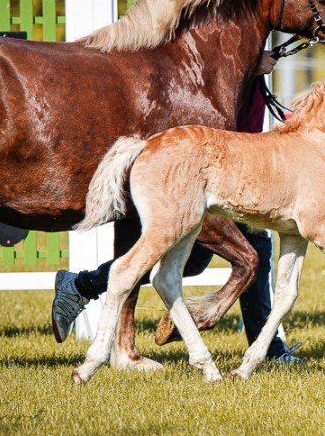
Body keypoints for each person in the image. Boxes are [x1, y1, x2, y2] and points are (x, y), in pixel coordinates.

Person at [52, 51, 303, 363]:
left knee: (206, 260)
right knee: (250, 254)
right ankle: (258, 343)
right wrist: (251, 62)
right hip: (219, 166)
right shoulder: (237, 50)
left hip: (246, 163)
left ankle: (82, 285)